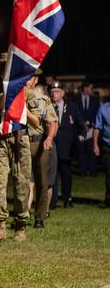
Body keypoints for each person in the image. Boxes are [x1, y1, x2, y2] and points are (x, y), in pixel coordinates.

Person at [0, 52, 32, 244]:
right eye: (2, 68)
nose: (5, 70)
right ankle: (1, 226)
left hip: (20, 140)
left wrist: (23, 109)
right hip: (1, 141)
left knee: (21, 184)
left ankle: (20, 226)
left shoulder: (27, 93)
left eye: (8, 67)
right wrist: (8, 91)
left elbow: (39, 123)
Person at [25, 70, 58, 228]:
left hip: (39, 142)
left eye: (30, 77)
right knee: (22, 180)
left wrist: (49, 138)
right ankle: (22, 215)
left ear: (35, 79)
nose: (27, 80)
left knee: (41, 181)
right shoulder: (15, 97)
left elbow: (52, 121)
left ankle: (39, 216)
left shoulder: (43, 99)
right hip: (21, 141)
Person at [49, 81, 85, 209]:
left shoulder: (71, 107)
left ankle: (67, 198)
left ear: (63, 93)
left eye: (57, 91)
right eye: (52, 91)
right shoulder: (47, 107)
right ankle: (51, 200)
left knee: (66, 174)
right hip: (52, 146)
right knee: (52, 174)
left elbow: (80, 124)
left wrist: (81, 136)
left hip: (66, 146)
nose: (54, 94)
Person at [75, 82, 100, 176]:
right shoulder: (75, 99)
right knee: (81, 151)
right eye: (90, 88)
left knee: (91, 150)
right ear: (85, 88)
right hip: (80, 129)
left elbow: (97, 114)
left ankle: (92, 171)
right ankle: (83, 171)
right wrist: (82, 124)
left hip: (92, 130)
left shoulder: (95, 100)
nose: (91, 90)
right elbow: (75, 113)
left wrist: (90, 124)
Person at [92, 98, 110, 207]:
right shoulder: (104, 108)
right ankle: (108, 198)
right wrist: (95, 145)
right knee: (109, 172)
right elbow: (97, 127)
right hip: (107, 146)